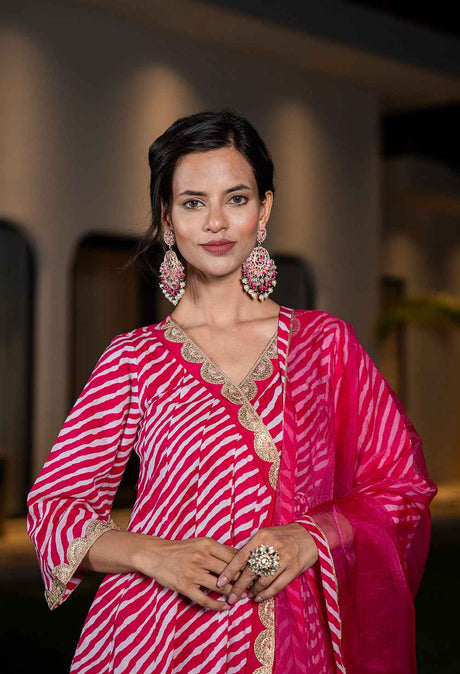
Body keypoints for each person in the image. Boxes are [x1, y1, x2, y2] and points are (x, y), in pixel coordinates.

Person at [27, 110, 437, 674]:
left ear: (263, 210)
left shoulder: (325, 346)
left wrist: (306, 538)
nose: (216, 222)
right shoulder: (134, 359)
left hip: (293, 629)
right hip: (159, 634)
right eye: (193, 202)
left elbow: (400, 486)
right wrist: (157, 554)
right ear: (167, 218)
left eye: (236, 199)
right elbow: (55, 508)